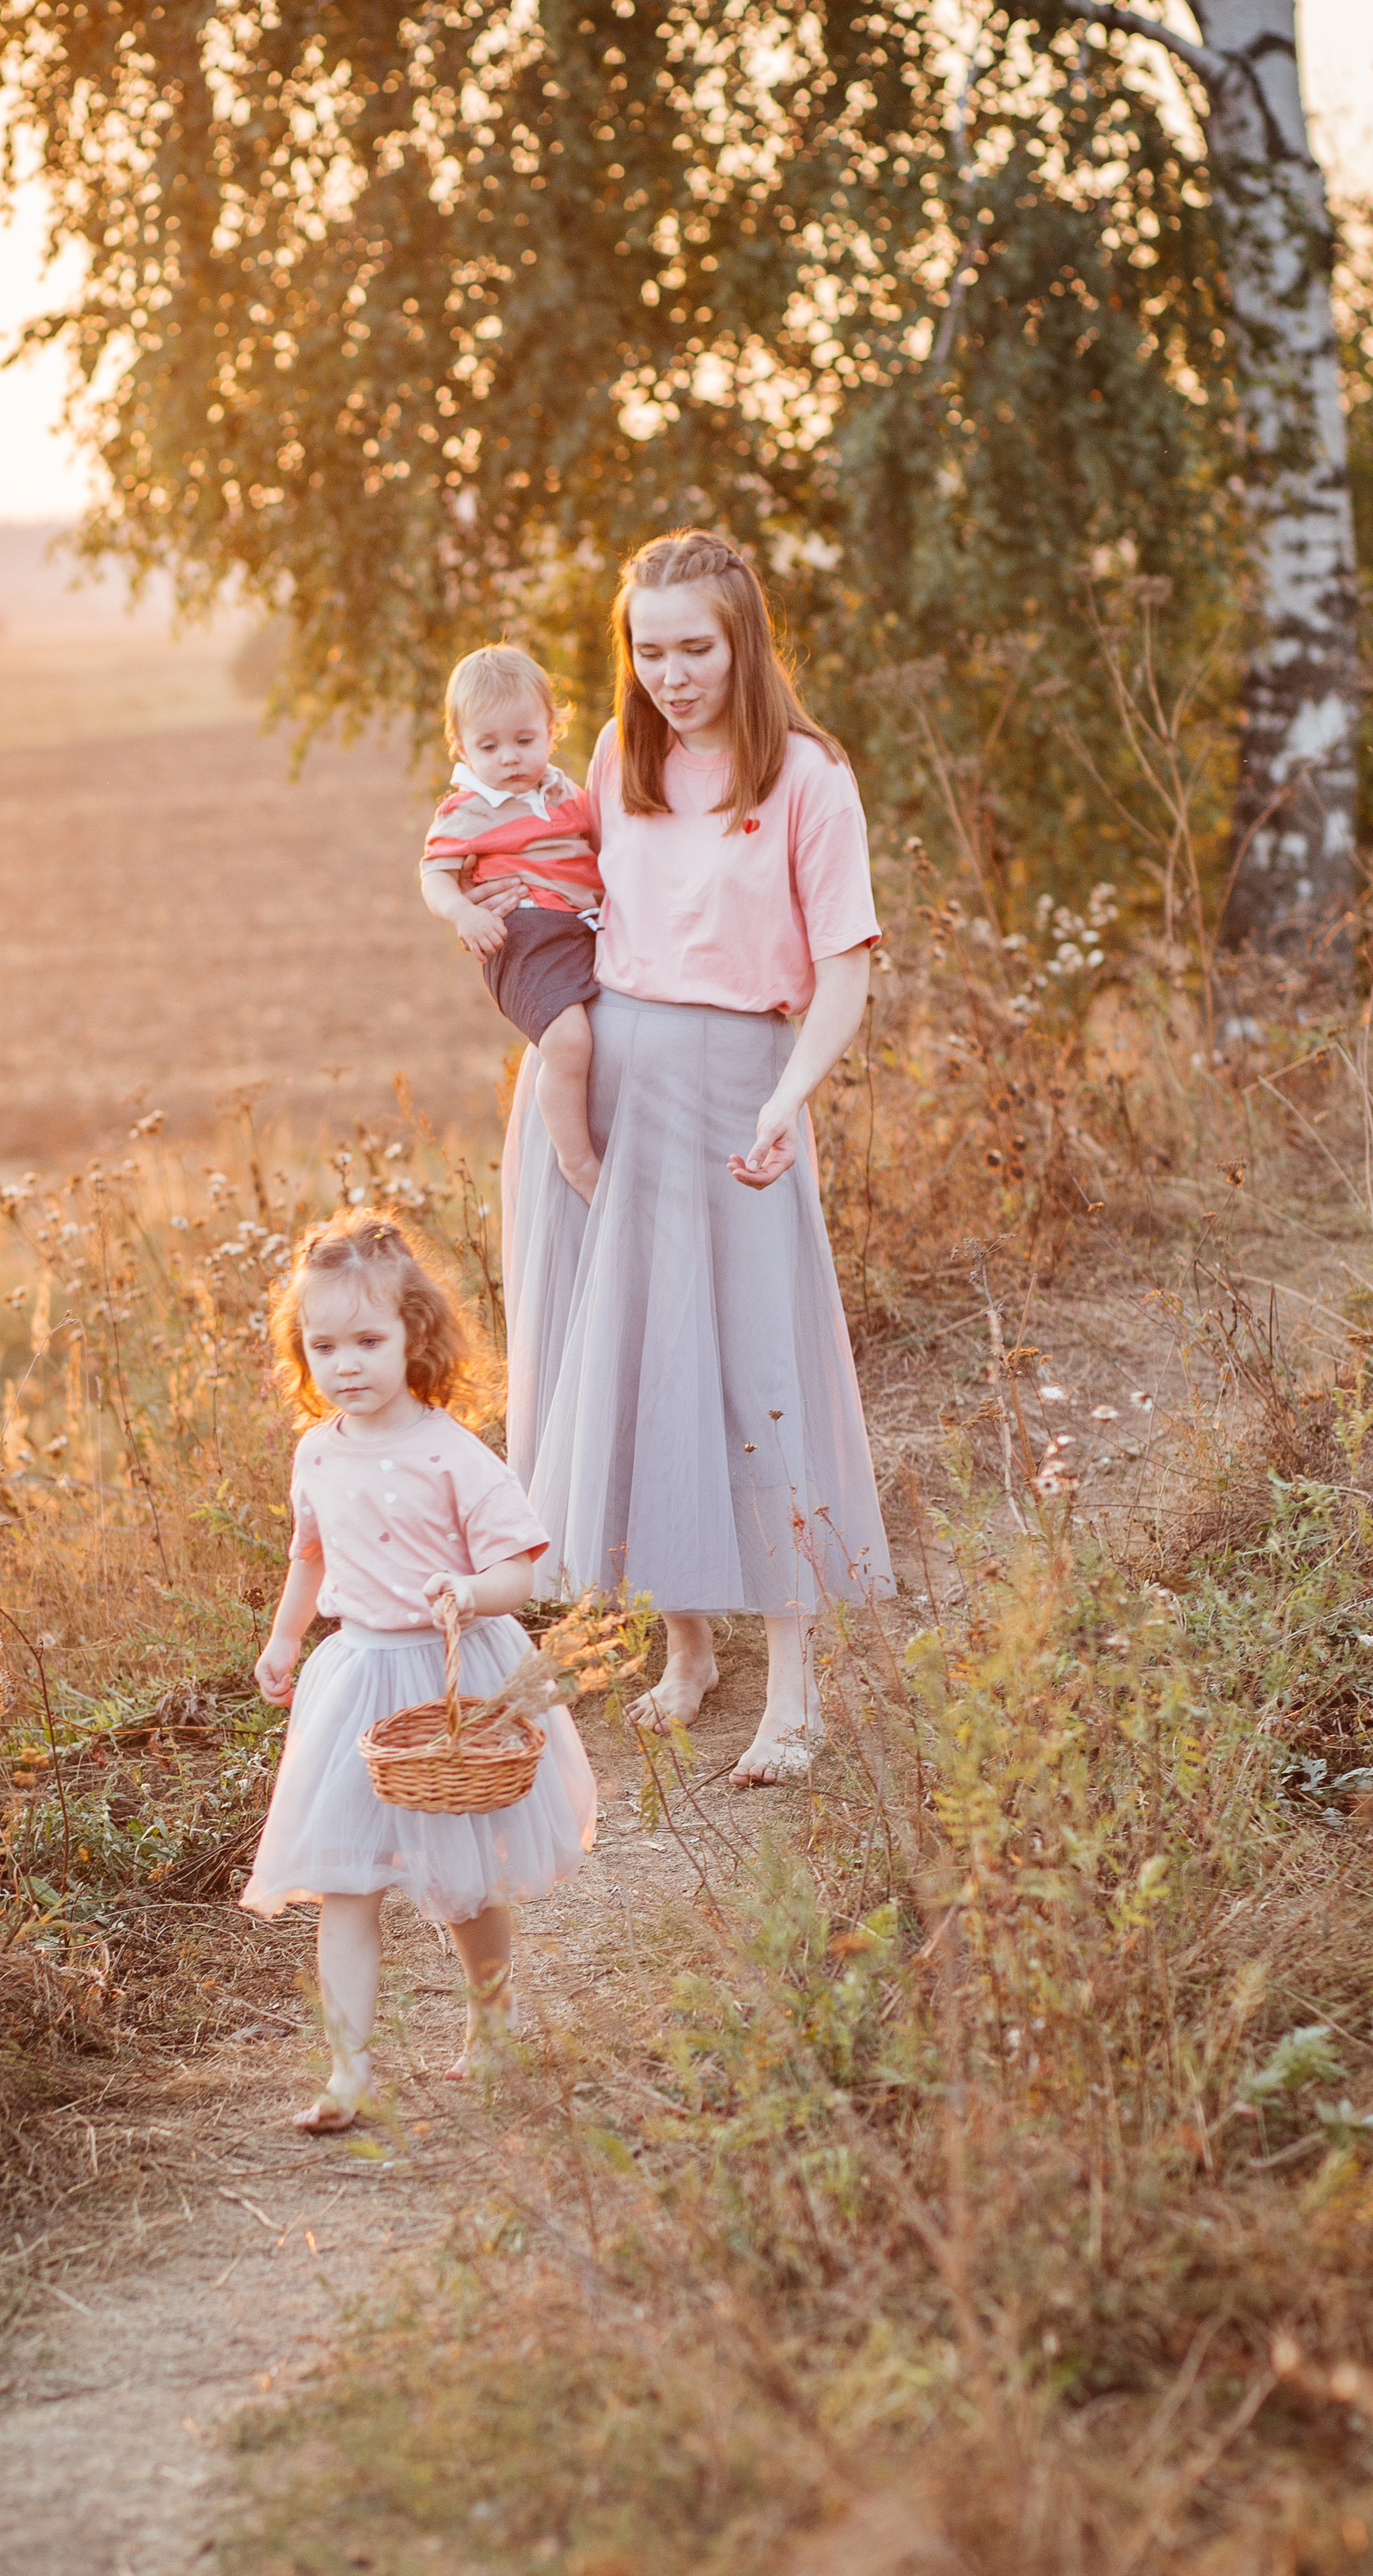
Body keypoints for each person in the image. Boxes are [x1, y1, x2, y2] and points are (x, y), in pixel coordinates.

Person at [491, 530, 896, 1787]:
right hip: (600, 1099)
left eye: (695, 649)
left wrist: (787, 1098)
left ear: (744, 641)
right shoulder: (620, 756)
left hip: (735, 1102)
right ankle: (688, 1651)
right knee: (625, 1362)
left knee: (747, 1375)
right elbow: (545, 880)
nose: (671, 675)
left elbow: (844, 972)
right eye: (648, 649)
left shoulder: (811, 780)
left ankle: (795, 1688)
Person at [240, 1210, 596, 2132]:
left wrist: (471, 1592)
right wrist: (285, 1641)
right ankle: (347, 2069)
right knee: (344, 1880)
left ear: (414, 1337)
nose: (345, 1364)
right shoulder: (316, 1451)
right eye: (323, 1345)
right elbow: (309, 1557)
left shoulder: (450, 1451)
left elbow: (522, 1568)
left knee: (465, 1880)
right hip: (356, 1680)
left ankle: (492, 2021)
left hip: (454, 1677)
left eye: (368, 1340)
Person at [420, 645, 606, 1200]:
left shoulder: (566, 793)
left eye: (525, 741)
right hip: (522, 937)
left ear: (552, 728)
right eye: (489, 746)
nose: (509, 758)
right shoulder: (467, 808)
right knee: (570, 1042)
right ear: (460, 747)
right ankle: (576, 1161)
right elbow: (435, 876)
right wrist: (464, 911)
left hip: (585, 930)